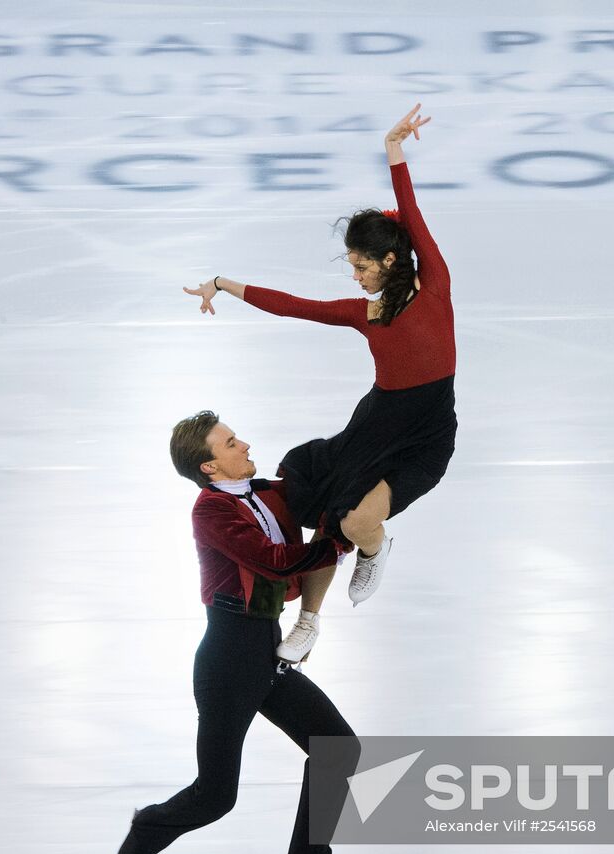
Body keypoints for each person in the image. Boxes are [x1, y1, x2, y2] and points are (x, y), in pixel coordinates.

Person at [184, 103, 456, 606]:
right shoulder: (362, 312)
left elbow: (412, 216)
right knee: (326, 509)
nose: (355, 275)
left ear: (389, 259)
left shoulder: (434, 287)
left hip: (427, 432)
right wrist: (223, 283)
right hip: (375, 423)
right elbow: (293, 306)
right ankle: (309, 619)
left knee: (356, 522)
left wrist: (393, 150)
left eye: (360, 265)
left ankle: (373, 552)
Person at [114, 411, 366, 854]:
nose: (245, 444)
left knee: (338, 748)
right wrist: (341, 542)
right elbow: (276, 561)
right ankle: (149, 826)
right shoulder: (210, 513)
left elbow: (315, 481)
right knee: (215, 796)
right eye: (231, 443)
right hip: (229, 660)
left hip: (265, 648)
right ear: (211, 467)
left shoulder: (269, 491)